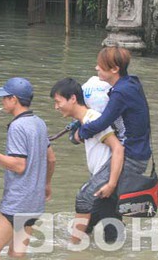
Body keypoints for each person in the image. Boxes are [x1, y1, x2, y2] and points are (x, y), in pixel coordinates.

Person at [0, 77, 56, 260]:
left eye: (4, 97)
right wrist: (46, 184)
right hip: (34, 202)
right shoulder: (39, 123)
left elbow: (19, 166)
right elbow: (51, 159)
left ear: (14, 99)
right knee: (17, 255)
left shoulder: (17, 126)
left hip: (18, 202)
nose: (2, 101)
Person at [50, 77, 125, 244]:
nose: (56, 107)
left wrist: (111, 183)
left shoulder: (93, 119)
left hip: (107, 177)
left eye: (58, 101)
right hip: (100, 176)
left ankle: (73, 249)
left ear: (73, 98)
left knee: (84, 199)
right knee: (104, 225)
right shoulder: (86, 121)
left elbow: (118, 149)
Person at [76, 47, 152, 178]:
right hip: (140, 153)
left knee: (89, 195)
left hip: (131, 157)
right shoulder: (131, 83)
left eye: (101, 66)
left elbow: (102, 123)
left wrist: (80, 133)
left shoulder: (121, 92)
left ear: (115, 69)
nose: (96, 68)